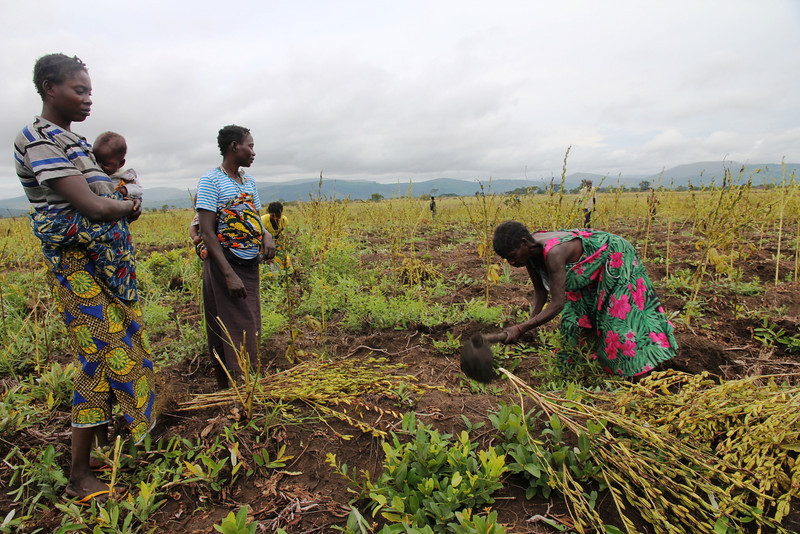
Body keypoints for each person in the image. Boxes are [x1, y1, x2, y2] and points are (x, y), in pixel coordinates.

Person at [14, 53, 155, 504]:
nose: (88, 99)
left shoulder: (77, 144)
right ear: (49, 88)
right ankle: (78, 474)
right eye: (79, 90)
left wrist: (121, 206)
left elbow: (113, 204)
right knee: (100, 357)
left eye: (90, 91)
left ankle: (95, 453)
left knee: (109, 352)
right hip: (77, 271)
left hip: (105, 270)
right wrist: (125, 204)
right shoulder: (38, 138)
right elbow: (95, 207)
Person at [493, 221, 677, 377]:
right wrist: (531, 323)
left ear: (524, 243)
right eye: (506, 259)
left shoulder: (554, 253)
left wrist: (520, 328)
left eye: (512, 256)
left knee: (618, 320)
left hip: (616, 257)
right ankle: (583, 368)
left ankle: (638, 372)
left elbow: (557, 304)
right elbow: (540, 292)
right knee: (574, 320)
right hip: (589, 269)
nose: (511, 263)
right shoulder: (529, 253)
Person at [195, 125, 275, 389]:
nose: (253, 152)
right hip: (224, 263)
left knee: (249, 320)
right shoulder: (211, 181)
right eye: (250, 146)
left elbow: (254, 218)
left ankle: (239, 384)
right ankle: (239, 386)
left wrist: (266, 235)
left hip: (249, 263)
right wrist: (228, 274)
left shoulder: (248, 182)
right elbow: (207, 231)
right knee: (235, 324)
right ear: (234, 147)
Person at [92, 131, 143, 199]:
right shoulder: (92, 173)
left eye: (105, 164)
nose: (99, 166)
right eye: (95, 161)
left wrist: (125, 190)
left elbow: (139, 189)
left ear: (121, 163)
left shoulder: (125, 176)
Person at [260, 201, 293, 279]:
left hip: (275, 239)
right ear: (269, 214)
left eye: (278, 216)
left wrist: (274, 247)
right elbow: (260, 238)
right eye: (273, 216)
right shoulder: (263, 221)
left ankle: (284, 273)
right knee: (264, 258)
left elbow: (279, 234)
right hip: (262, 241)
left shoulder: (283, 220)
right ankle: (267, 276)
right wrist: (266, 254)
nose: (276, 218)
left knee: (282, 255)